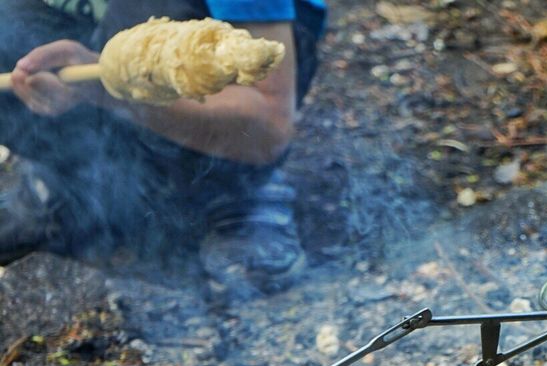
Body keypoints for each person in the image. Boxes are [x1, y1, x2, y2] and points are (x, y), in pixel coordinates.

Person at [0, 0, 326, 300]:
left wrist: (107, 89)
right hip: (94, 51)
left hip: (245, 83)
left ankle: (239, 194)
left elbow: (268, 127)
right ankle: (73, 185)